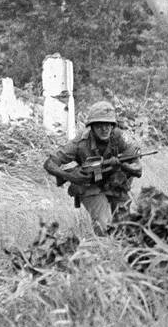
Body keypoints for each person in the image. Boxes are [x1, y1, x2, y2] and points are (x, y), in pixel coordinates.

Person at [43, 101, 143, 235]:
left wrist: (123, 166)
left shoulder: (120, 137)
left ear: (112, 125)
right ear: (91, 126)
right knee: (104, 227)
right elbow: (49, 163)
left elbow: (138, 169)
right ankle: (101, 245)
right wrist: (69, 176)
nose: (104, 129)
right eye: (99, 125)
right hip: (90, 186)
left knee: (124, 228)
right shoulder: (80, 142)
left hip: (115, 184)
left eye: (108, 125)